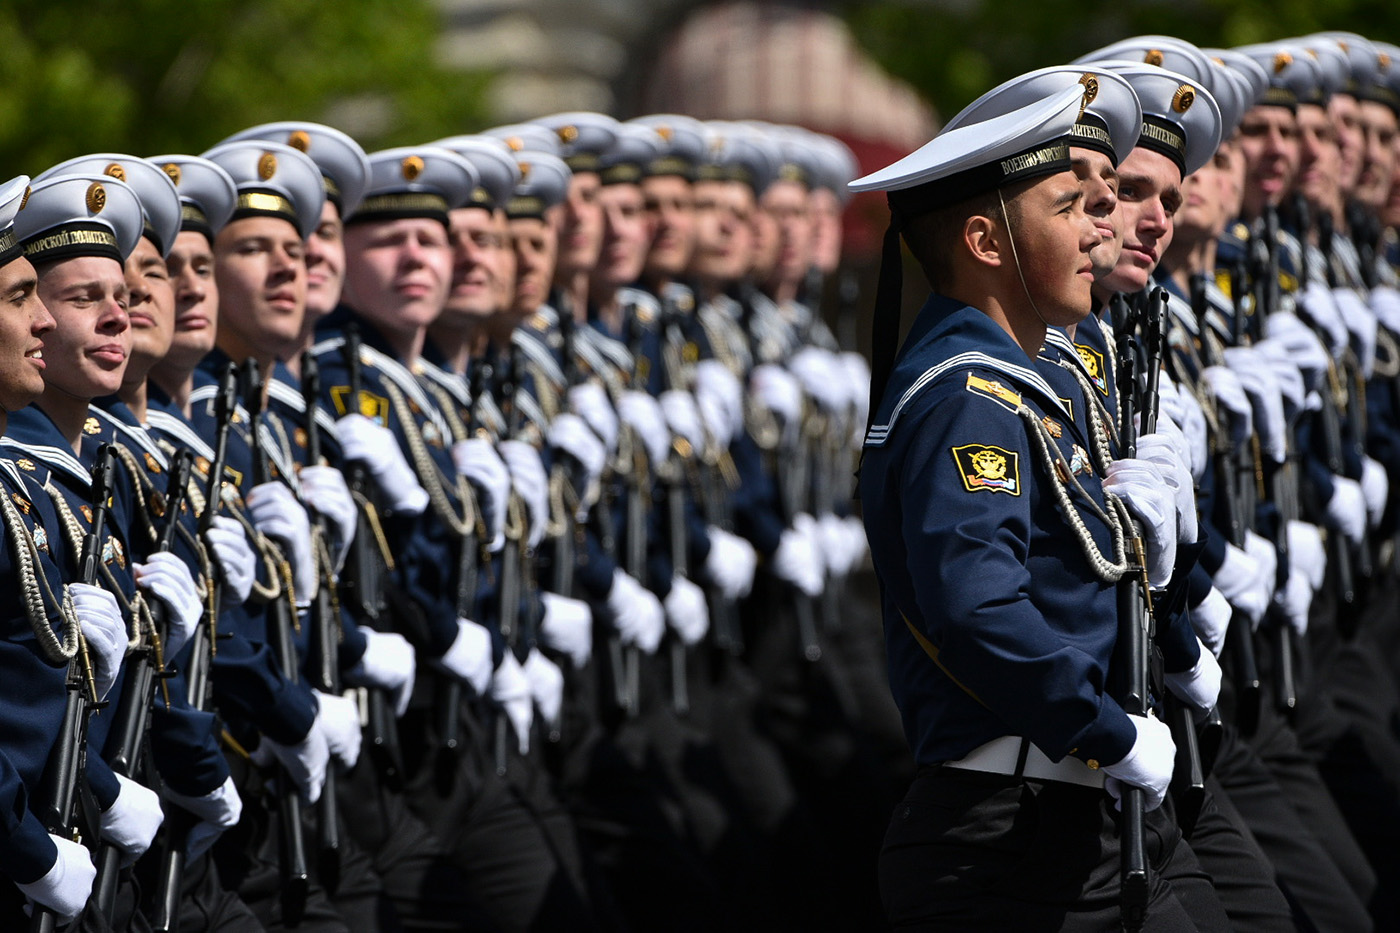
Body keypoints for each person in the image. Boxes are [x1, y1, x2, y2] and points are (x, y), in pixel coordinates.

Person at [854, 79, 1232, 928]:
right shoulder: (968, 399)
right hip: (1009, 841)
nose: (1105, 226)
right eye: (1072, 206)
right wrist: (1106, 728)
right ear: (987, 240)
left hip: (1083, 815)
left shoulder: (1024, 387)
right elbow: (978, 609)